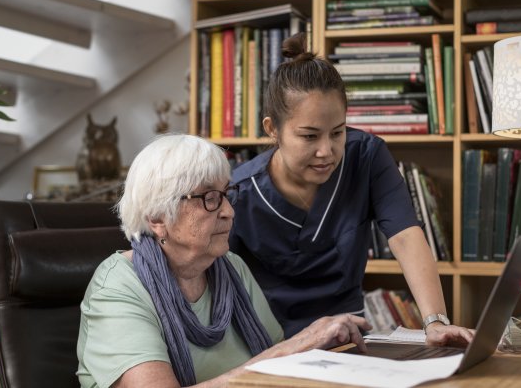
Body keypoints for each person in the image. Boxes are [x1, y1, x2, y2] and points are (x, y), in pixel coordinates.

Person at [229, 33, 474, 346]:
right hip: (272, 348)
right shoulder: (238, 194)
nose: (326, 151)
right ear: (272, 129)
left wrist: (435, 322)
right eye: (309, 137)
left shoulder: (367, 157)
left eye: (337, 132)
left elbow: (405, 235)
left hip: (348, 341)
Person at [76, 134, 371, 388]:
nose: (229, 211)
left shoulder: (232, 268)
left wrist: (317, 348)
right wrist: (299, 345)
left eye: (227, 194)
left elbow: (278, 363)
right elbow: (277, 358)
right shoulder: (118, 286)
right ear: (157, 217)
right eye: (209, 197)